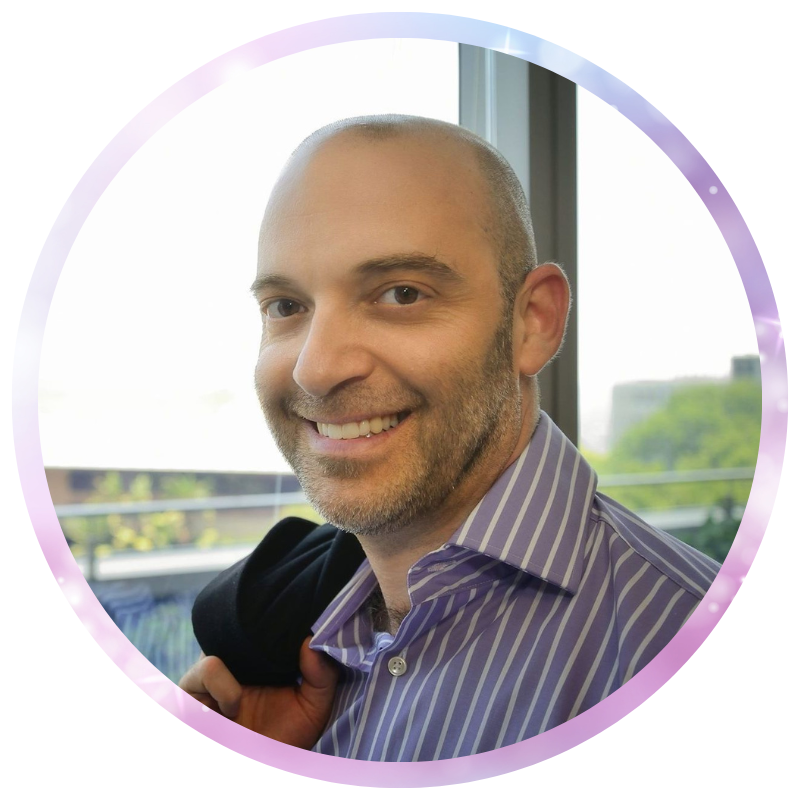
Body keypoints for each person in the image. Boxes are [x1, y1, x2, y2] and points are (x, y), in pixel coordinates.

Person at [179, 114, 720, 760]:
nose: (315, 369)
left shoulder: (673, 636)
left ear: (533, 322)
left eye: (402, 294)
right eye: (286, 307)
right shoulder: (295, 639)